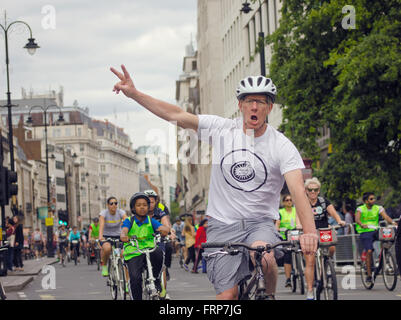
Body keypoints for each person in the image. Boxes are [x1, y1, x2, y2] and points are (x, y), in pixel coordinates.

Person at [110, 66, 318, 300]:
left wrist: (310, 233)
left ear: (269, 107)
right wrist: (135, 94)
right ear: (240, 105)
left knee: (265, 256)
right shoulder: (222, 130)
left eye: (261, 101)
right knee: (227, 297)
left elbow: (298, 189)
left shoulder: (281, 145)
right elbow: (176, 115)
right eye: (249, 101)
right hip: (222, 225)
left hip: (259, 223)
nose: (254, 107)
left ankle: (267, 295)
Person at [302, 177, 345, 300]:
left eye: (315, 190)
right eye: (310, 190)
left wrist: (339, 220)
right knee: (310, 261)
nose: (313, 192)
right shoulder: (303, 202)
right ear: (306, 190)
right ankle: (310, 290)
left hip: (323, 231)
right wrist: (299, 225)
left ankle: (327, 264)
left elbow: (333, 212)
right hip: (309, 233)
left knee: (331, 248)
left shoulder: (323, 201)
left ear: (319, 190)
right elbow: (298, 216)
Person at [120, 192, 170, 300]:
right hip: (134, 251)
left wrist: (164, 230)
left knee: (159, 253)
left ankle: (156, 279)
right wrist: (124, 236)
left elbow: (165, 229)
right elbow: (124, 232)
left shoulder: (151, 221)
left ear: (148, 207)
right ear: (133, 208)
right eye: (138, 205)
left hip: (149, 249)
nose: (142, 207)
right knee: (135, 278)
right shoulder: (129, 221)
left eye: (144, 205)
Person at [355, 192, 397, 286]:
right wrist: (362, 224)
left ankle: (384, 255)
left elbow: (386, 217)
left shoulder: (378, 208)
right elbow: (357, 219)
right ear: (365, 201)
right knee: (369, 251)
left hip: (375, 230)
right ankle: (369, 275)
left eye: (374, 198)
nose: (373, 200)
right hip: (365, 231)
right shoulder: (360, 209)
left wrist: (394, 223)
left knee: (389, 238)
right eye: (371, 199)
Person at [144, 189, 175, 296]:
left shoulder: (160, 212)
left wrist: (169, 232)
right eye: (147, 202)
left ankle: (161, 284)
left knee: (162, 257)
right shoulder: (140, 213)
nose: (149, 205)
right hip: (143, 242)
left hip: (157, 239)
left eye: (151, 202)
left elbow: (166, 224)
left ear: (155, 202)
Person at [98, 196, 128, 277]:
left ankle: (122, 269)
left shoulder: (120, 212)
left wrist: (127, 234)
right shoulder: (104, 213)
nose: (114, 205)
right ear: (108, 205)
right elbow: (101, 225)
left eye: (115, 203)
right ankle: (104, 265)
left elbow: (127, 222)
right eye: (111, 203)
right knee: (107, 249)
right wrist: (100, 236)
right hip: (106, 236)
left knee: (123, 252)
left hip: (118, 236)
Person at [275, 194, 299, 288]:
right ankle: (288, 279)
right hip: (285, 236)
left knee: (301, 250)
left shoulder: (296, 210)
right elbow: (277, 223)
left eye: (290, 200)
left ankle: (299, 266)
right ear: (284, 202)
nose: (289, 202)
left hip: (296, 235)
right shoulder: (281, 212)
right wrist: (277, 229)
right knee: (287, 256)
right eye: (287, 200)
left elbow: (299, 220)